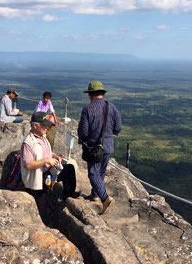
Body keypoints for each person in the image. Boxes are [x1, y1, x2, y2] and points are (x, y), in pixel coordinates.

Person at [78, 80, 122, 215]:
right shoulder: (112, 107)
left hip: (93, 147)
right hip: (107, 146)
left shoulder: (87, 109)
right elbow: (118, 128)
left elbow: (83, 132)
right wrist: (108, 135)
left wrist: (85, 140)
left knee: (92, 173)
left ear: (91, 95)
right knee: (101, 172)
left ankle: (105, 198)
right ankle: (95, 195)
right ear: (102, 94)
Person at [20, 111, 76, 201]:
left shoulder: (42, 136)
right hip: (39, 176)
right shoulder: (28, 143)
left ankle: (68, 197)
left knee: (69, 169)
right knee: (41, 206)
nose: (47, 128)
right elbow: (28, 165)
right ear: (35, 126)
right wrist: (47, 160)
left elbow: (46, 151)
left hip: (49, 171)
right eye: (44, 125)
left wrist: (54, 156)